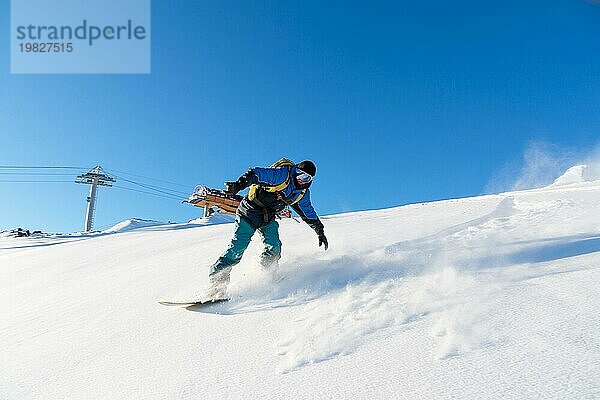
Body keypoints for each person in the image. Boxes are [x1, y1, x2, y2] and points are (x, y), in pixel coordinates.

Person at [205, 159, 328, 300]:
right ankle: (216, 287)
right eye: (300, 175)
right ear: (295, 171)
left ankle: (269, 277)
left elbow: (308, 212)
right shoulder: (282, 175)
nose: (301, 180)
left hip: (267, 218)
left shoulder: (302, 194)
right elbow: (256, 174)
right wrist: (238, 185)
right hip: (249, 213)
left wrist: (320, 230)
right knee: (237, 248)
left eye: (306, 178)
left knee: (274, 247)